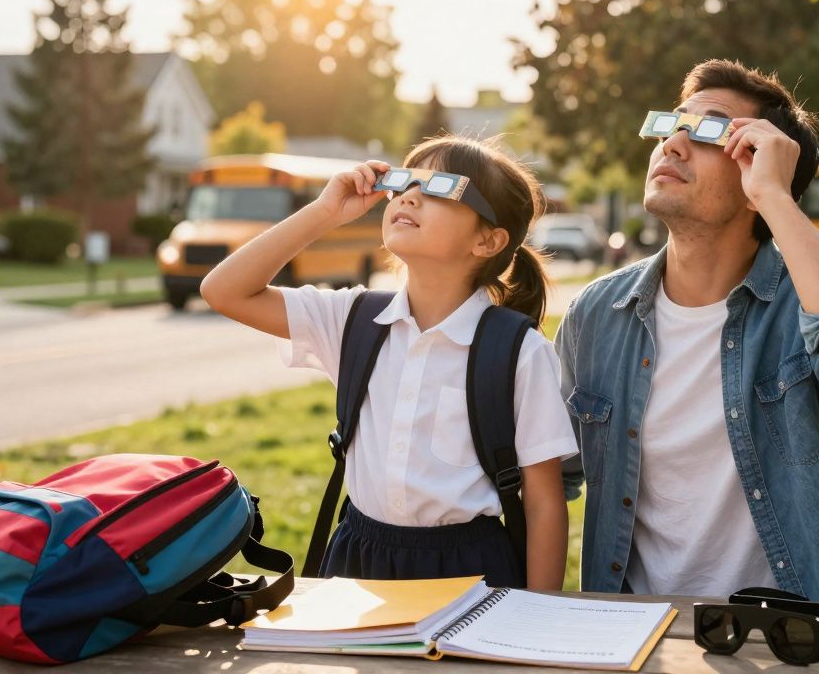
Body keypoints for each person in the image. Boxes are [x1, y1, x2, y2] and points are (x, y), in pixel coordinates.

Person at [556, 59, 819, 603]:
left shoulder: (808, 303)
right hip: (635, 633)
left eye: (706, 131)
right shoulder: (597, 313)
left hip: (800, 633)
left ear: (761, 168)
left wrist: (774, 200)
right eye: (671, 124)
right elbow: (548, 475)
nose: (673, 145)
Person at [202, 135, 576, 589]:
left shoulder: (521, 352)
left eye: (440, 188)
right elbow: (223, 290)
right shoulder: (352, 319)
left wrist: (538, 619)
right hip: (359, 560)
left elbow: (544, 504)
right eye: (403, 184)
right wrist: (325, 213)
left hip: (472, 571)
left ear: (487, 240)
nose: (410, 196)